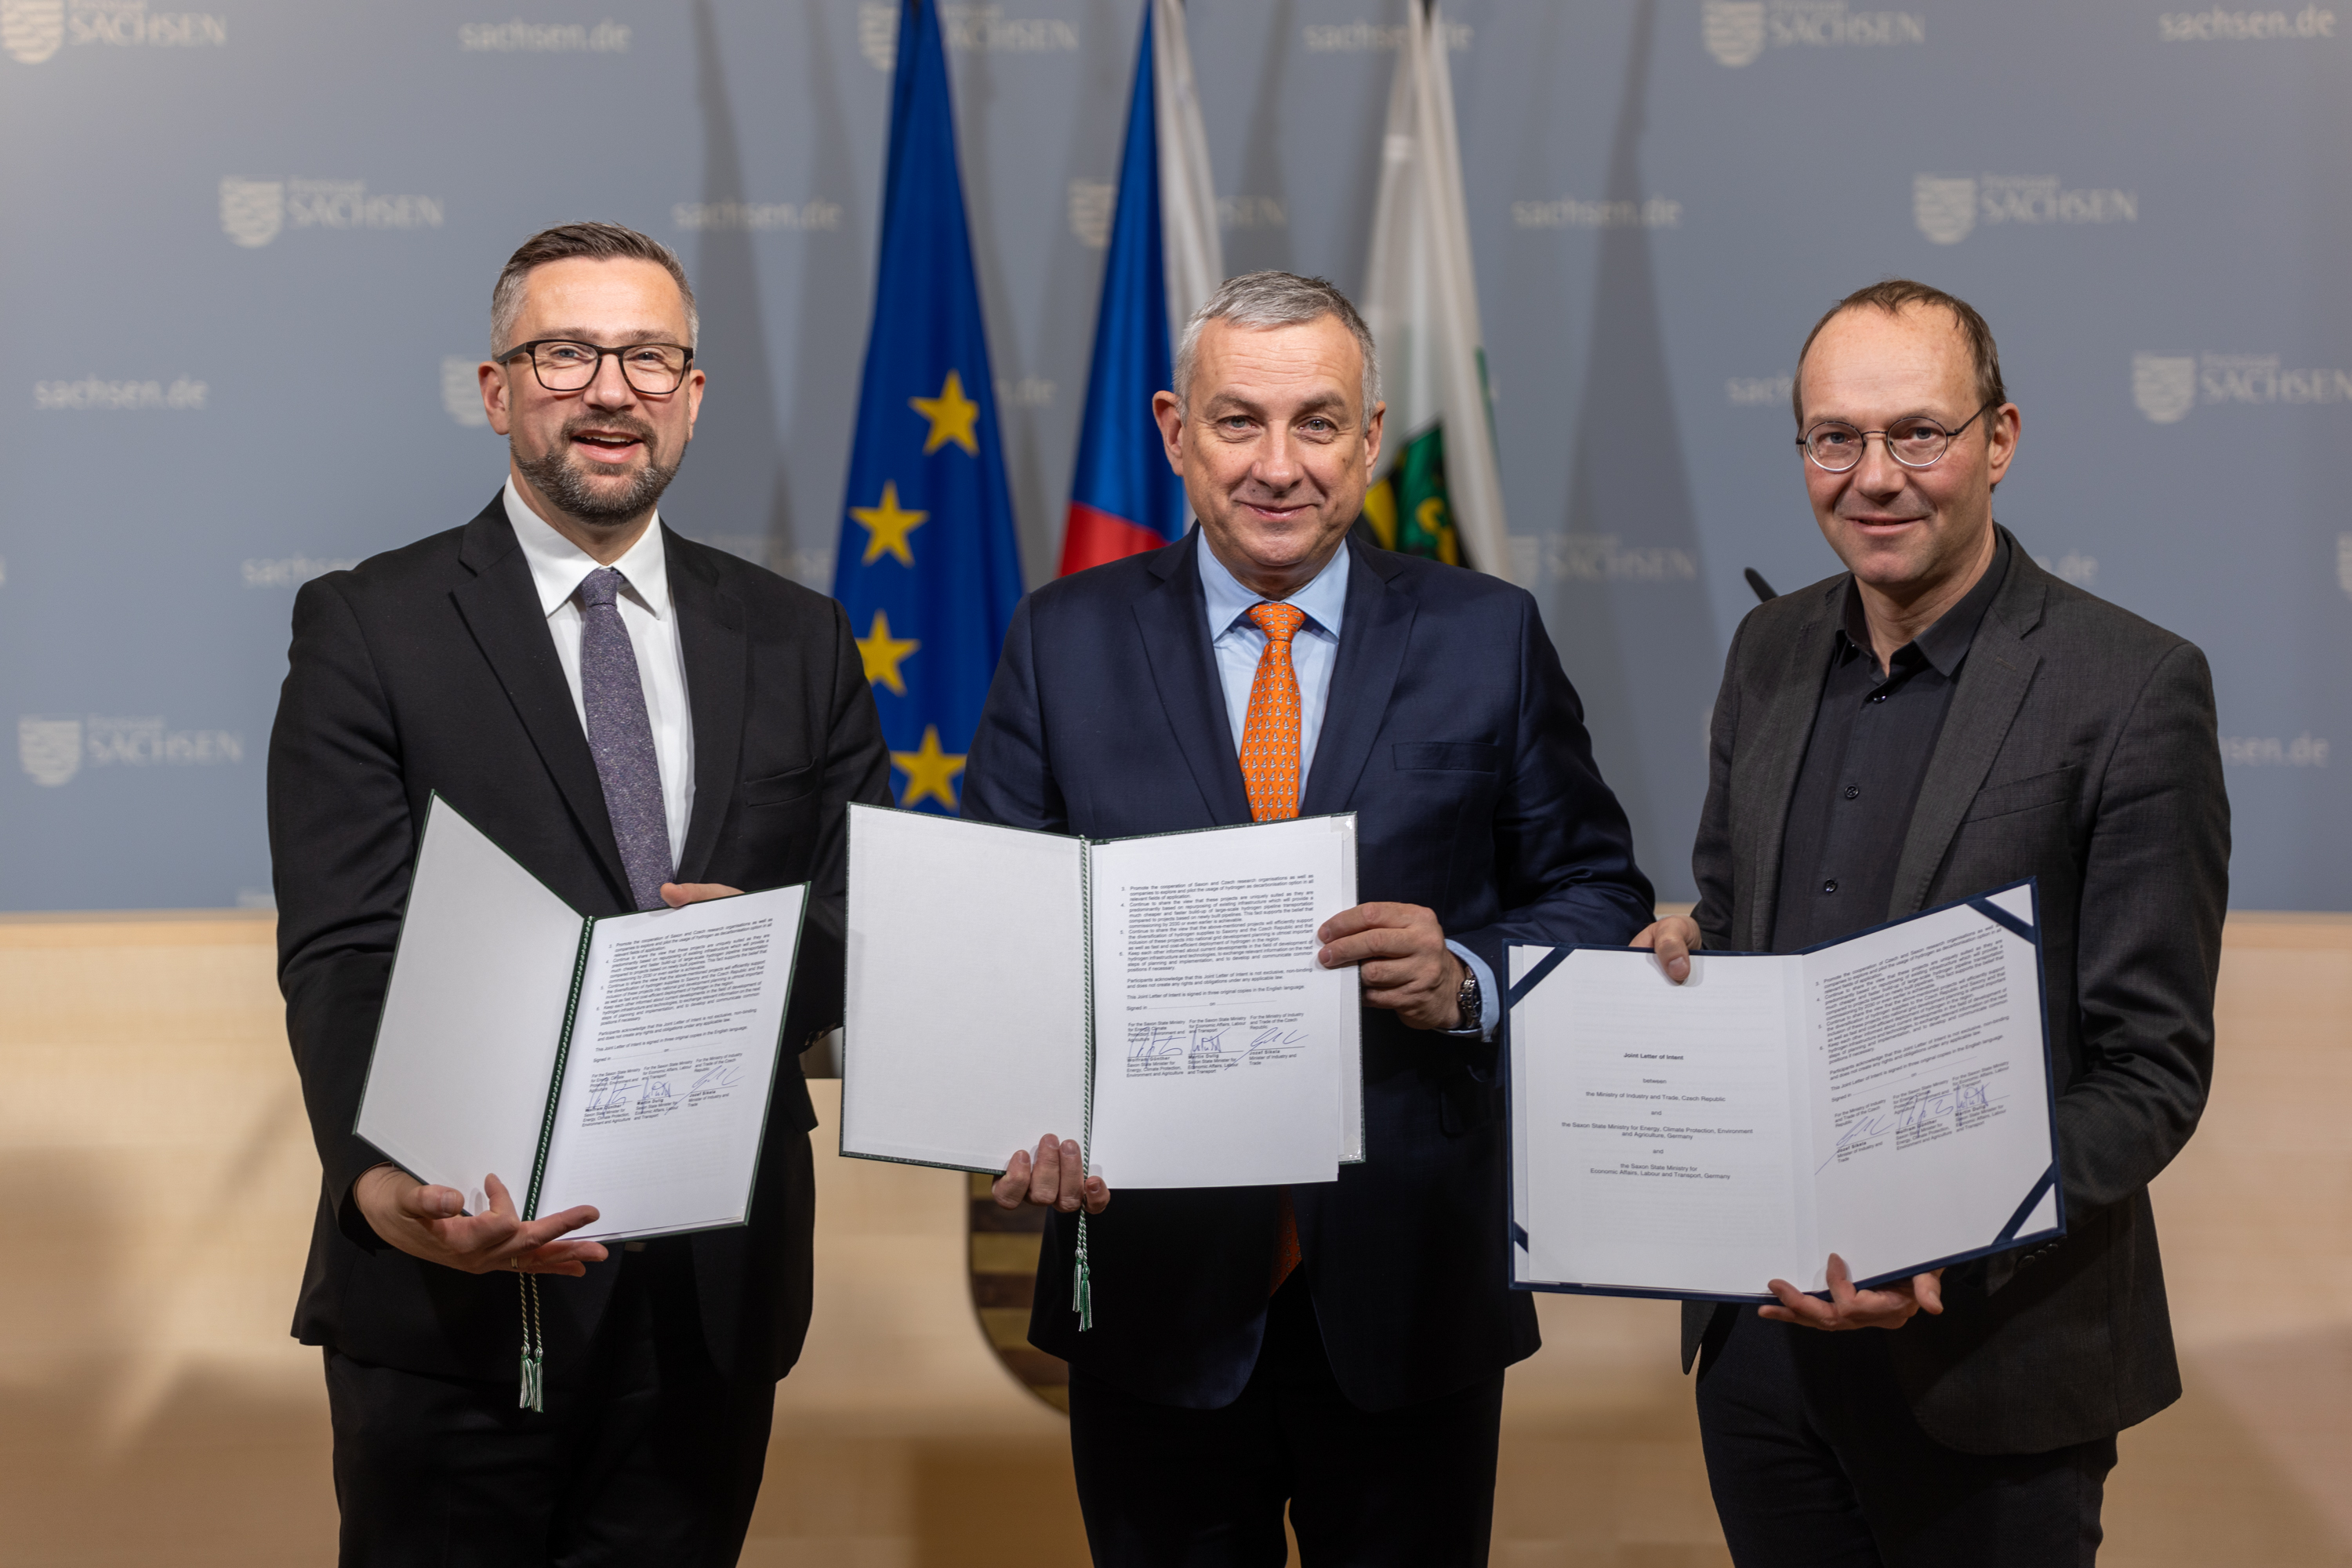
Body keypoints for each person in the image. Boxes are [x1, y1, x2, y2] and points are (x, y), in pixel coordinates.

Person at [964, 270, 1655, 1566]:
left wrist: (1467, 974)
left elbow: (1600, 891)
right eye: (1239, 421)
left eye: (1318, 422)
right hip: (1150, 1288)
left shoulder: (1488, 635)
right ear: (1175, 430)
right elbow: (995, 931)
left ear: (1371, 437)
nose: (1278, 465)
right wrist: (1013, 1108)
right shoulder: (1062, 640)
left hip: (1414, 1293)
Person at [268, 221, 891, 1566]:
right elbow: (344, 951)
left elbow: (867, 922)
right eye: (566, 355)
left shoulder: (800, 637)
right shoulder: (370, 626)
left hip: (710, 1297)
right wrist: (381, 1183)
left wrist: (767, 951)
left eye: (649, 358)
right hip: (458, 1274)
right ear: (498, 391)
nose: (612, 391)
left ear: (693, 395)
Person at [1635, 278, 2229, 1566]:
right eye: (1835, 438)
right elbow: (1733, 921)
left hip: (1993, 1361)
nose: (1874, 477)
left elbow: (2152, 1071)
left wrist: (1944, 1242)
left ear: (1998, 438)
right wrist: (1684, 970)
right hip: (1762, 1349)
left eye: (1918, 433)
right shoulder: (1767, 650)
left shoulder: (2133, 687)